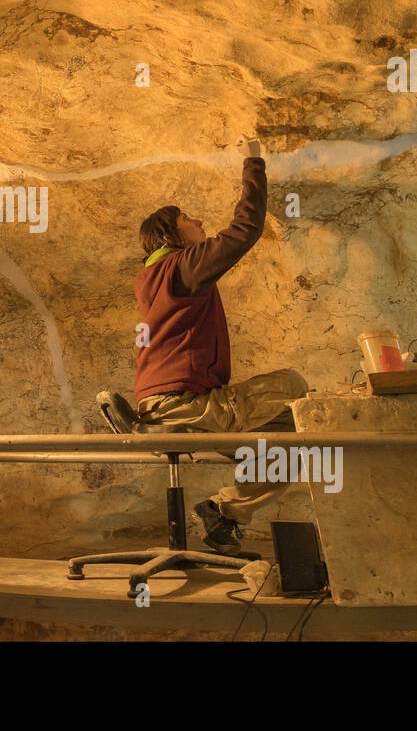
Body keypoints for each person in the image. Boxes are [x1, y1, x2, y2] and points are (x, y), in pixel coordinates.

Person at [133, 138, 308, 555]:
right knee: (292, 384)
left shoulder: (154, 277)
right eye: (188, 218)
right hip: (184, 405)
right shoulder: (183, 265)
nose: (197, 221)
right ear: (172, 233)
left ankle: (221, 510)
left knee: (295, 447)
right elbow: (245, 230)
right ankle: (226, 509)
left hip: (174, 403)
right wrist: (254, 162)